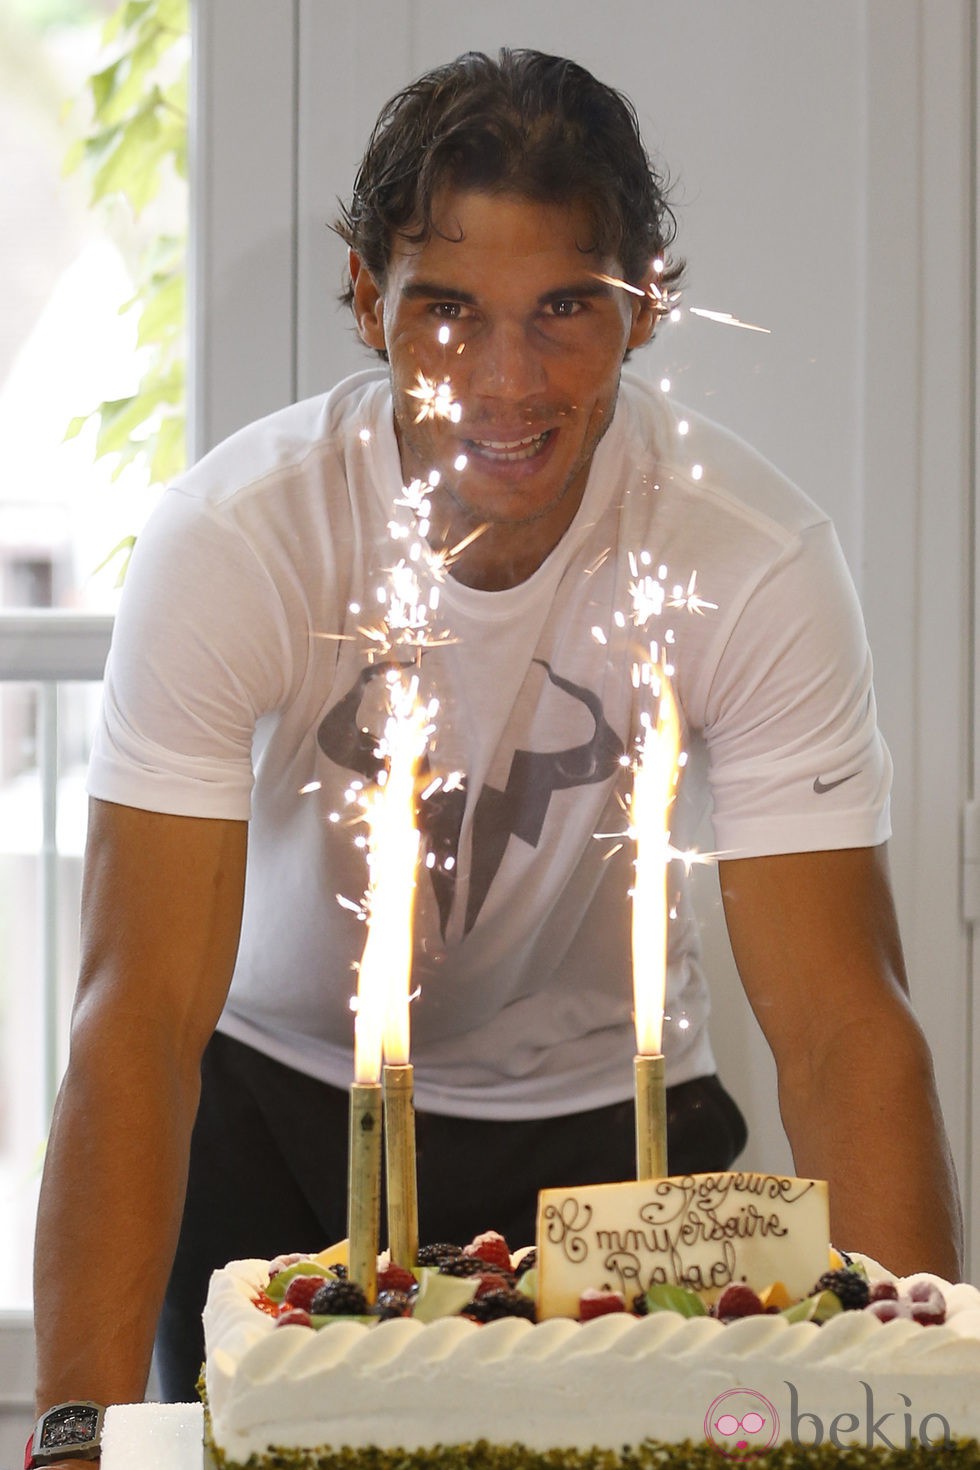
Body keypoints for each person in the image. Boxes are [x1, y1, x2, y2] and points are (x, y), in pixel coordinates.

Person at [32, 45, 961, 1448]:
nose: (507, 382)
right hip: (284, 1113)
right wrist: (70, 1433)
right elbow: (138, 1021)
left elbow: (842, 1030)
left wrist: (929, 1411)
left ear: (651, 302)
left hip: (617, 1137)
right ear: (366, 298)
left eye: (567, 310)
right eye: (450, 311)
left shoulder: (755, 560)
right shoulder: (238, 541)